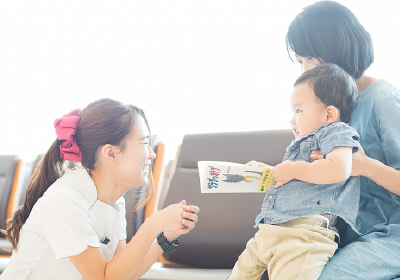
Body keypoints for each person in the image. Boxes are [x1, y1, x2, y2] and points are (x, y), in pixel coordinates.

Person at [0, 98, 200, 280]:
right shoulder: (66, 200)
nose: (152, 155)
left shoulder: (113, 200)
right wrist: (152, 225)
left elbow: (124, 274)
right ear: (111, 154)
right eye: (144, 143)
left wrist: (166, 235)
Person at [279, 1, 400, 279]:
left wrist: (367, 166)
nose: (305, 71)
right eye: (300, 62)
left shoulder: (383, 101)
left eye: (310, 59)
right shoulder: (327, 107)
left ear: (337, 48)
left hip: (388, 234)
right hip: (338, 231)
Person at [228, 63, 360, 280]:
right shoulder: (300, 145)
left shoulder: (337, 132)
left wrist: (292, 169)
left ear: (329, 115)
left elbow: (339, 169)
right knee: (239, 274)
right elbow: (295, 179)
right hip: (271, 230)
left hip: (305, 234)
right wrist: (268, 172)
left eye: (298, 110)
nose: (292, 119)